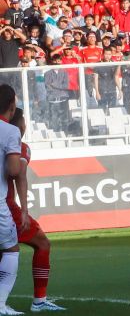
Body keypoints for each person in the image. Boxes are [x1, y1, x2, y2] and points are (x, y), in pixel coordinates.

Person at [6, 108, 65, 312]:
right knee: (42, 243)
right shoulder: (18, 145)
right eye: (23, 121)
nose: (25, 126)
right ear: (18, 123)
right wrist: (24, 210)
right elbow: (19, 174)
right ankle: (39, 301)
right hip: (5, 206)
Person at [0, 84, 24, 316]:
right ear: (12, 105)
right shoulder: (10, 131)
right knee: (10, 250)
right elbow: (14, 169)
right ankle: (0, 305)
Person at [93, 48, 121, 114]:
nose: (107, 56)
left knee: (113, 111)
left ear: (111, 55)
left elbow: (116, 77)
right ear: (103, 54)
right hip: (102, 91)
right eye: (106, 54)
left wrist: (120, 90)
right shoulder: (98, 64)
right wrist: (97, 92)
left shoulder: (114, 64)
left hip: (112, 90)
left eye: (109, 54)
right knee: (101, 111)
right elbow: (95, 79)